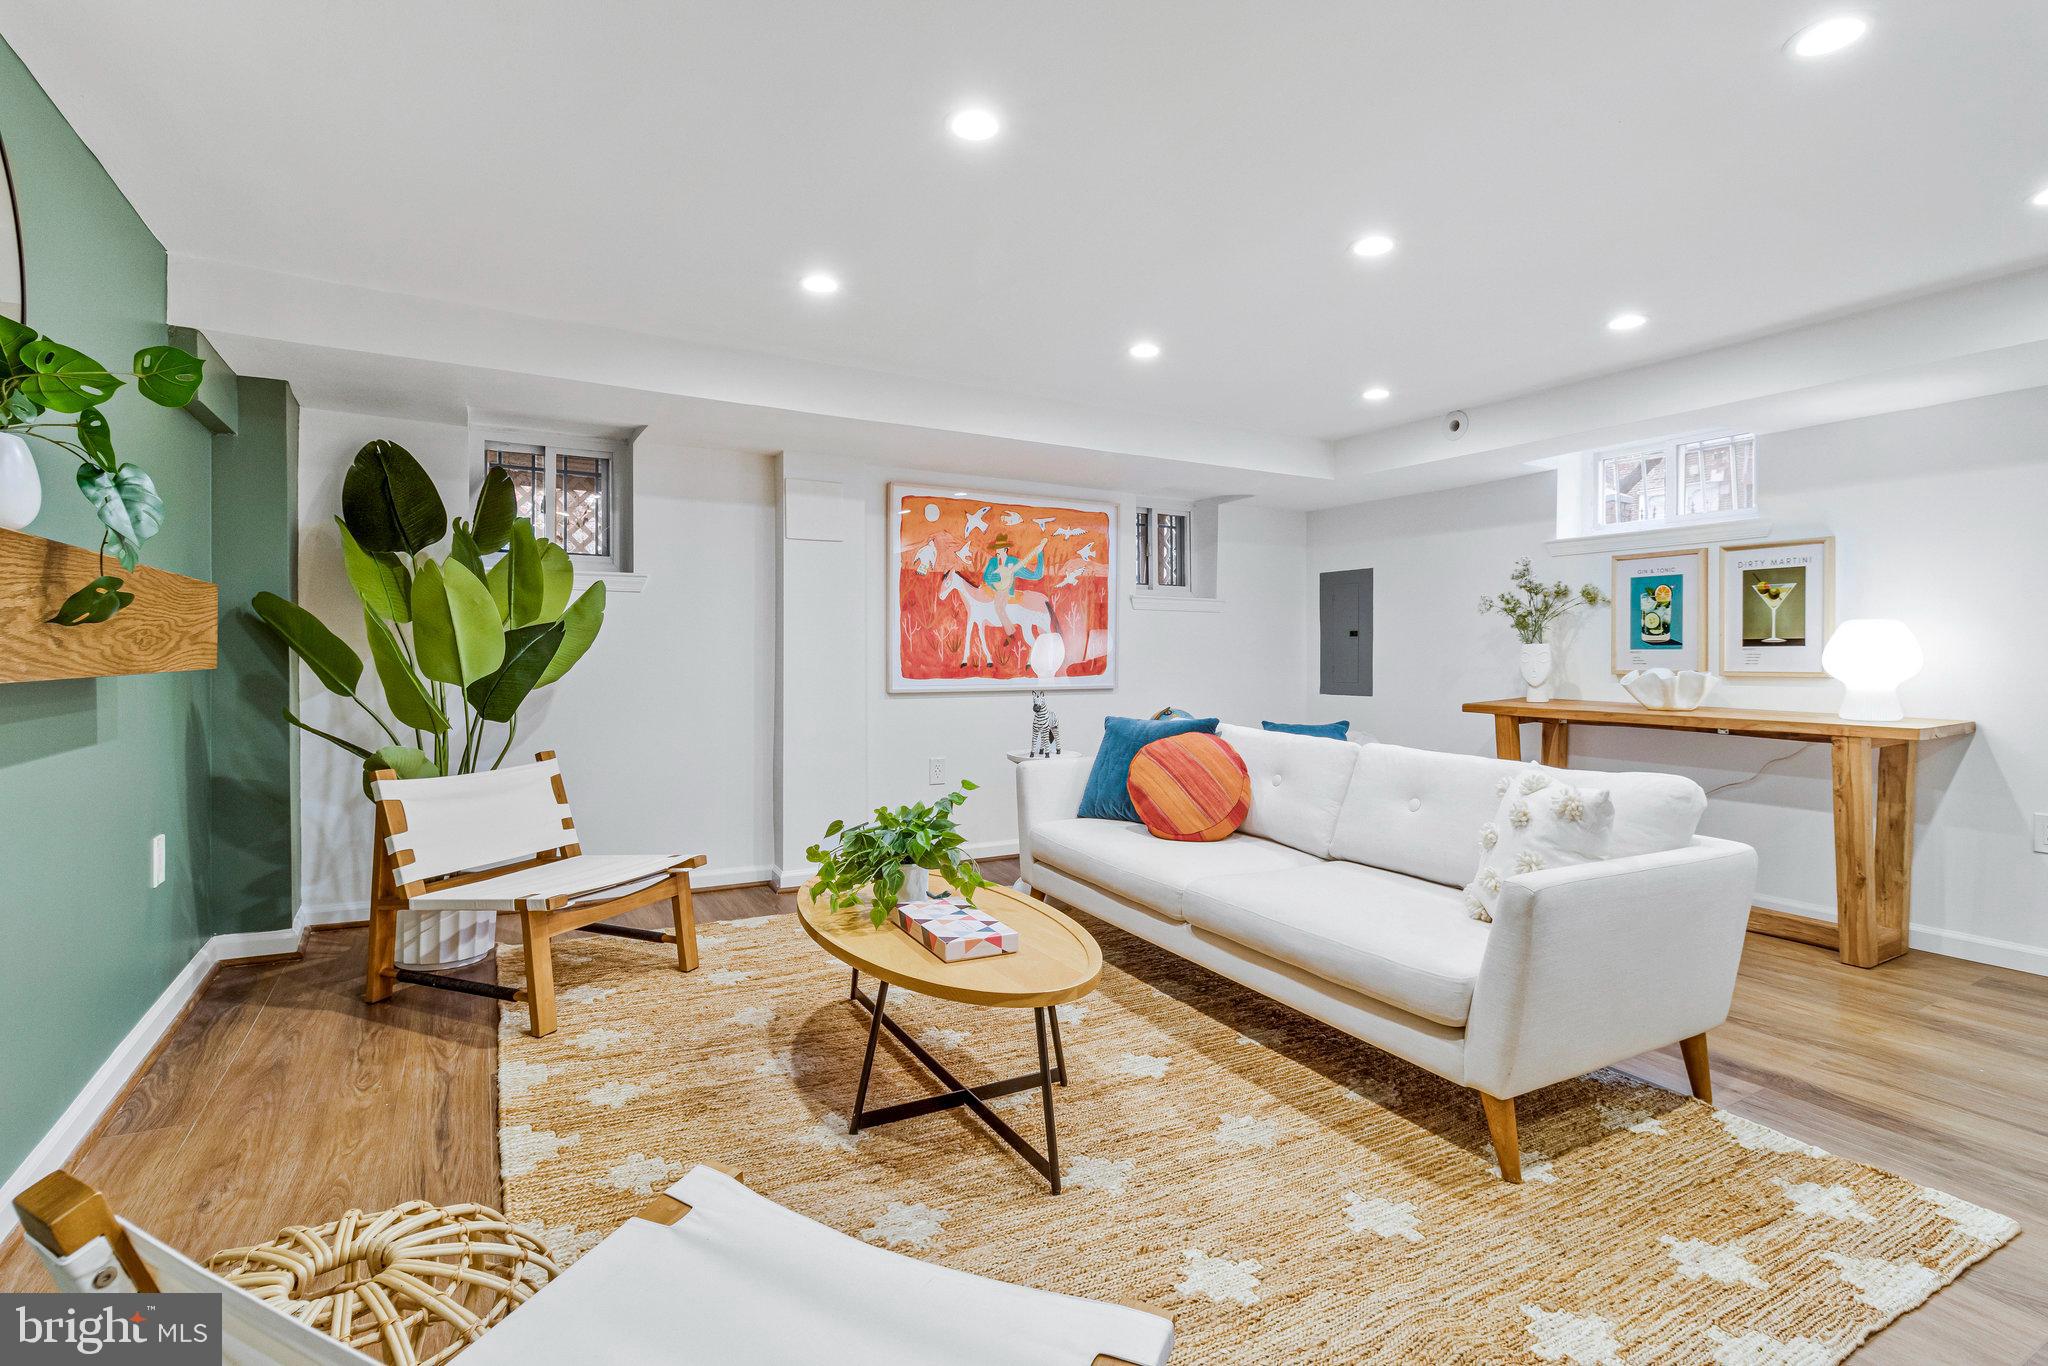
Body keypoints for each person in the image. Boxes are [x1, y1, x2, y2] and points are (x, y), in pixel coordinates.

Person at [981, 534, 1046, 627]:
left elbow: (1036, 575)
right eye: (996, 548)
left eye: (1000, 548)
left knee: (999, 607)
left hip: (1005, 593)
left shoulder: (1013, 562)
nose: (997, 551)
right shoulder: (993, 561)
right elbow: (986, 577)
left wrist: (1039, 554)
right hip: (991, 590)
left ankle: (1010, 631)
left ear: (1005, 549)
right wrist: (996, 578)